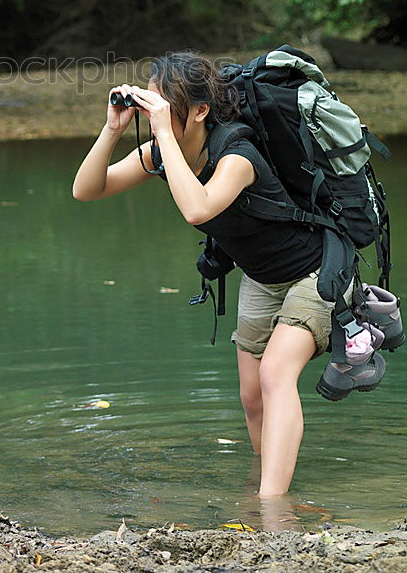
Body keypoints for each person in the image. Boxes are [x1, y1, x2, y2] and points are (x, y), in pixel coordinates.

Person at [72, 50, 346, 498]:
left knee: (276, 375)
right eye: (152, 104)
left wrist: (161, 132)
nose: (155, 114)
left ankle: (271, 507)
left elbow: (197, 208)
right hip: (262, 278)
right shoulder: (160, 154)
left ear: (200, 110)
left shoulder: (237, 155)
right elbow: (86, 190)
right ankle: (266, 481)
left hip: (315, 272)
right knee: (252, 397)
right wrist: (112, 129)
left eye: (165, 106)